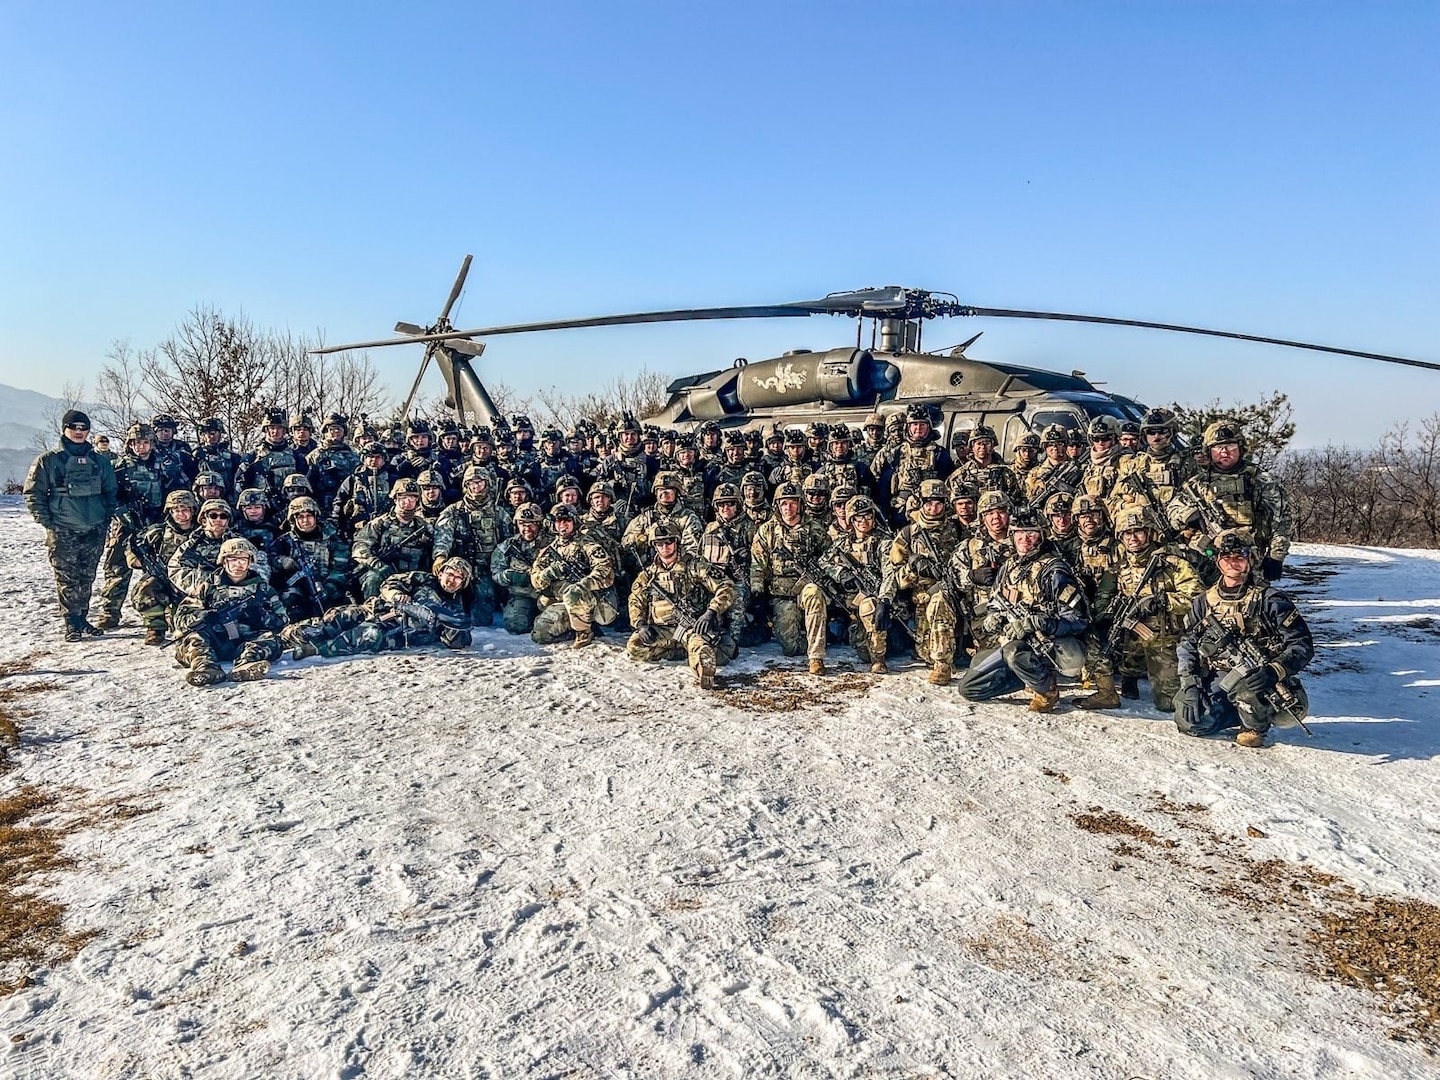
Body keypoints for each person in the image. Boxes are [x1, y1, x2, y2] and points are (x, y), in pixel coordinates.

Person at [1175, 528, 1315, 747]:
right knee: (1189, 720)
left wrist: (1274, 671)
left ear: (1251, 559)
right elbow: (1187, 644)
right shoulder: (1204, 601)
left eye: (1240, 556)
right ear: (1218, 561)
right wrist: (1190, 684)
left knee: (1249, 686)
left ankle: (1255, 724)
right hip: (1219, 676)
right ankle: (1238, 710)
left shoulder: (1271, 600)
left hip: (1261, 678)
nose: (1233, 562)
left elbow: (1302, 645)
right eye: (1227, 557)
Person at [957, 508, 1089, 712]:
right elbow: (995, 600)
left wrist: (1039, 622)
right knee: (969, 688)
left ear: (1041, 536)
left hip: (1050, 645)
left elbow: (1078, 619)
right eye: (1019, 533)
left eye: (1031, 533)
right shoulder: (1009, 566)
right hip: (1013, 642)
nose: (1024, 539)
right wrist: (994, 616)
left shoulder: (1054, 570)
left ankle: (1047, 690)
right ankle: (1026, 677)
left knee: (1014, 651)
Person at [1083, 507, 1202, 711]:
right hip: (1131, 638)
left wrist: (1163, 601)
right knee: (1094, 637)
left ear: (1149, 533)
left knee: (1168, 704)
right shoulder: (1119, 568)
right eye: (1127, 533)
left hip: (1165, 640)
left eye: (1138, 531)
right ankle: (1115, 686)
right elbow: (1102, 602)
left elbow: (1199, 599)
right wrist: (1109, 617)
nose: (1133, 538)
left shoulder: (1172, 563)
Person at [23, 409, 118, 641]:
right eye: (74, 427)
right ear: (65, 429)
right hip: (63, 528)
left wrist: (105, 518)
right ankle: (71, 622)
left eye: (83, 428)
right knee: (67, 578)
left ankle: (82, 618)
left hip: (94, 527)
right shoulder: (49, 460)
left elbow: (111, 491)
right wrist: (48, 522)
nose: (79, 431)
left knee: (87, 577)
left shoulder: (100, 461)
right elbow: (33, 493)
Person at [1168, 419, 1294, 582]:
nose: (1225, 452)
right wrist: (1189, 516)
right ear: (1209, 451)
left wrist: (1276, 557)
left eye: (1231, 446)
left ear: (1241, 448)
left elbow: (1282, 520)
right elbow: (1172, 513)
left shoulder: (1261, 481)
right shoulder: (1197, 485)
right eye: (1218, 447)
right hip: (1208, 561)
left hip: (1251, 562)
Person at [281, 559, 475, 660]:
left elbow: (459, 640)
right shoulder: (422, 579)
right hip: (376, 610)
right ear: (441, 573)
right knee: (336, 619)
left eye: (459, 578)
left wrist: (447, 623)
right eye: (450, 574)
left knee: (366, 635)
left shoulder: (454, 607)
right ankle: (286, 637)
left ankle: (316, 649)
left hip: (395, 632)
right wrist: (397, 596)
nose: (452, 580)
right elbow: (389, 584)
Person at [627, 522, 737, 688]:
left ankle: (702, 670)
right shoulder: (649, 574)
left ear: (676, 542)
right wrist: (641, 624)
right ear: (654, 546)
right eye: (659, 543)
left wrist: (711, 612)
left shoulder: (694, 565)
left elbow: (726, 586)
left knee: (701, 649)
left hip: (691, 628)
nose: (665, 547)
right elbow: (635, 600)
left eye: (669, 542)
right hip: (663, 630)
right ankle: (681, 652)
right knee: (634, 646)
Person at [172, 538, 287, 686]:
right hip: (215, 641)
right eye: (233, 560)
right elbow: (181, 617)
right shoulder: (208, 587)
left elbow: (282, 620)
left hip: (245, 642)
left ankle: (246, 665)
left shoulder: (263, 589)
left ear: (250, 561)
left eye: (243, 560)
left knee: (271, 639)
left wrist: (261, 617)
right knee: (193, 638)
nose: (238, 565)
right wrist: (202, 616)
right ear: (224, 561)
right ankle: (206, 669)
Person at [886, 479, 966, 684]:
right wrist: (913, 569)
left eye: (938, 503)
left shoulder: (957, 529)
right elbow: (894, 574)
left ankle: (943, 666)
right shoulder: (908, 534)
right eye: (928, 503)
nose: (933, 508)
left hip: (956, 592)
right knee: (925, 651)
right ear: (921, 504)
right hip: (922, 598)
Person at [750, 482, 831, 672]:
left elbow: (830, 557)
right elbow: (757, 563)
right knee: (791, 649)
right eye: (784, 503)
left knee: (814, 593)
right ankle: (816, 635)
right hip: (781, 594)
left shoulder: (815, 528)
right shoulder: (767, 531)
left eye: (793, 503)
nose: (789, 508)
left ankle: (816, 657)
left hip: (807, 587)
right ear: (777, 505)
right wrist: (757, 590)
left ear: (801, 504)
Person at [819, 495, 895, 673]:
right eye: (858, 518)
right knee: (861, 649)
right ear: (852, 520)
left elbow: (890, 573)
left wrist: (884, 600)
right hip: (853, 601)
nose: (863, 522)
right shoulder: (843, 542)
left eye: (868, 516)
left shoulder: (883, 542)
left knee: (870, 608)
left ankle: (879, 659)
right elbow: (823, 561)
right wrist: (840, 573)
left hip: (878, 599)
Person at [528, 504, 616, 648]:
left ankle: (584, 633)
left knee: (573, 593)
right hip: (567, 602)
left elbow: (604, 569)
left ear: (574, 521)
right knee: (540, 635)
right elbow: (535, 580)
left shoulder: (587, 544)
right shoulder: (549, 551)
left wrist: (584, 584)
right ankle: (574, 629)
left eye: (566, 521)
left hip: (594, 601)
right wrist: (549, 573)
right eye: (558, 521)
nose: (562, 525)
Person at [127, 489, 197, 645]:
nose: (180, 514)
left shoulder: (200, 532)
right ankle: (155, 627)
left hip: (191, 581)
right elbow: (132, 545)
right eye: (176, 510)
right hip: (163, 579)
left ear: (193, 510)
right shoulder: (158, 532)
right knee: (146, 587)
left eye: (185, 510)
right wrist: (136, 560)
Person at [351, 478, 435, 598]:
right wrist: (377, 564)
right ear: (395, 498)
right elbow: (359, 547)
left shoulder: (424, 526)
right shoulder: (380, 523)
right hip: (384, 573)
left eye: (413, 497)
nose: (408, 500)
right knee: (372, 579)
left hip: (412, 575)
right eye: (403, 497)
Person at [491, 503, 547, 634]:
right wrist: (507, 576)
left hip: (547, 594)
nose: (527, 528)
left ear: (539, 523)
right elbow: (496, 570)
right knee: (516, 625)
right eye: (523, 524)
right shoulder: (508, 546)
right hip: (522, 595)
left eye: (531, 523)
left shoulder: (551, 544)